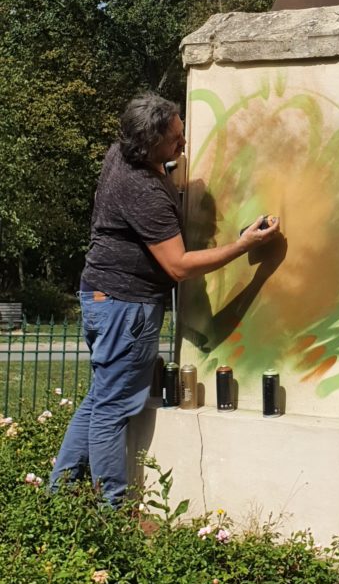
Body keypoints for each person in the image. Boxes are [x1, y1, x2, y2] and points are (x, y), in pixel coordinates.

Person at [49, 92, 280, 506]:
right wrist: (244, 245)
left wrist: (170, 165)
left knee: (101, 398)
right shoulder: (143, 193)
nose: (184, 145)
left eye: (183, 133)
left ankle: (59, 496)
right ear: (148, 144)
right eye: (175, 140)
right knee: (111, 409)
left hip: (102, 296)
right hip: (125, 307)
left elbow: (166, 169)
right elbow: (178, 266)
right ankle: (111, 513)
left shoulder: (120, 154)